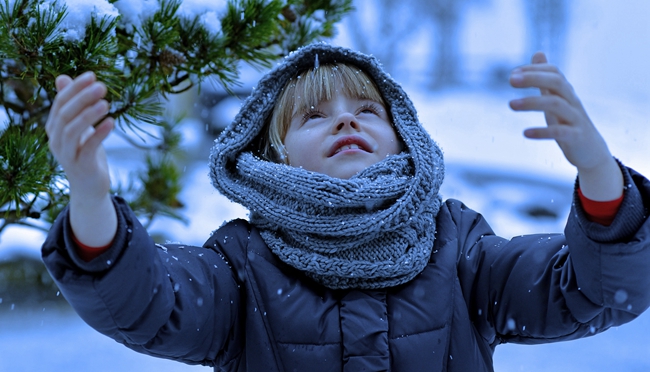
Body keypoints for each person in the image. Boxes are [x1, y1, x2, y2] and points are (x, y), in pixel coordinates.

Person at [42, 43, 650, 371]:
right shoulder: (240, 266)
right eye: (314, 115)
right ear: (274, 156)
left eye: (367, 111)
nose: (344, 120)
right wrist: (92, 199)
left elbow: (591, 293)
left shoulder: (459, 249)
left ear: (403, 137)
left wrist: (598, 172)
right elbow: (149, 305)